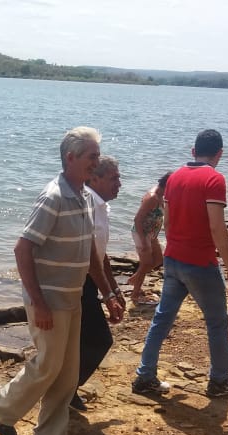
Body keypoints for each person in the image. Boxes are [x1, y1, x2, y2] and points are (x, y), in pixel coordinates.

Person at [0, 127, 123, 435]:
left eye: (98, 156)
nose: (96, 162)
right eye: (92, 156)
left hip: (72, 297)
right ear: (70, 158)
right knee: (48, 364)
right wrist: (37, 301)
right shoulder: (53, 196)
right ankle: (0, 408)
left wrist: (107, 294)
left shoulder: (86, 197)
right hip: (49, 300)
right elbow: (22, 250)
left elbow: (90, 253)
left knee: (67, 371)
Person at [131, 129, 228, 399]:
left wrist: (173, 250)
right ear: (219, 154)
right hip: (200, 262)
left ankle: (144, 376)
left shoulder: (175, 177)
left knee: (162, 319)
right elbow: (218, 228)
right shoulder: (214, 179)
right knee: (217, 322)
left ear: (193, 151)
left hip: (173, 259)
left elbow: (168, 223)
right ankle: (219, 381)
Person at [69, 155, 126, 412]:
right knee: (100, 340)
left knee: (81, 341)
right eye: (114, 178)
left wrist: (114, 288)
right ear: (95, 178)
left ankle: (66, 390)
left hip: (91, 281)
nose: (120, 184)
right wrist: (108, 295)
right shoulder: (87, 203)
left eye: (119, 178)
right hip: (77, 282)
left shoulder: (102, 206)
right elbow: (90, 258)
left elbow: (101, 255)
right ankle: (66, 391)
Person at [128, 172, 170, 305]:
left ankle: (135, 278)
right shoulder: (152, 197)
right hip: (142, 233)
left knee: (158, 259)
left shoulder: (161, 195)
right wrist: (144, 241)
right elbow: (137, 219)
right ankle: (135, 295)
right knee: (146, 263)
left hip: (151, 234)